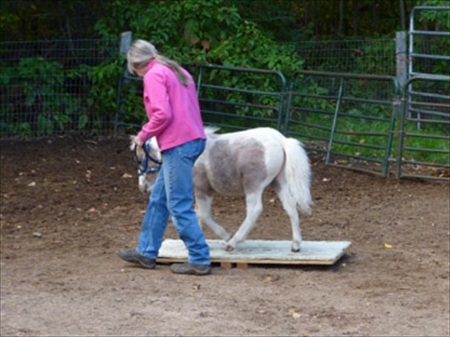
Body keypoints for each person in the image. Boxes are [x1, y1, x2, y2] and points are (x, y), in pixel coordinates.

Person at [117, 39, 211, 276]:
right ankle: (146, 252)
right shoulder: (176, 70)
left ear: (137, 65)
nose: (138, 76)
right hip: (193, 138)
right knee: (159, 199)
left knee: (178, 203)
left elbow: (162, 114)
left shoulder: (153, 74)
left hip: (179, 143)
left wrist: (143, 135)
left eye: (135, 72)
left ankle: (199, 258)